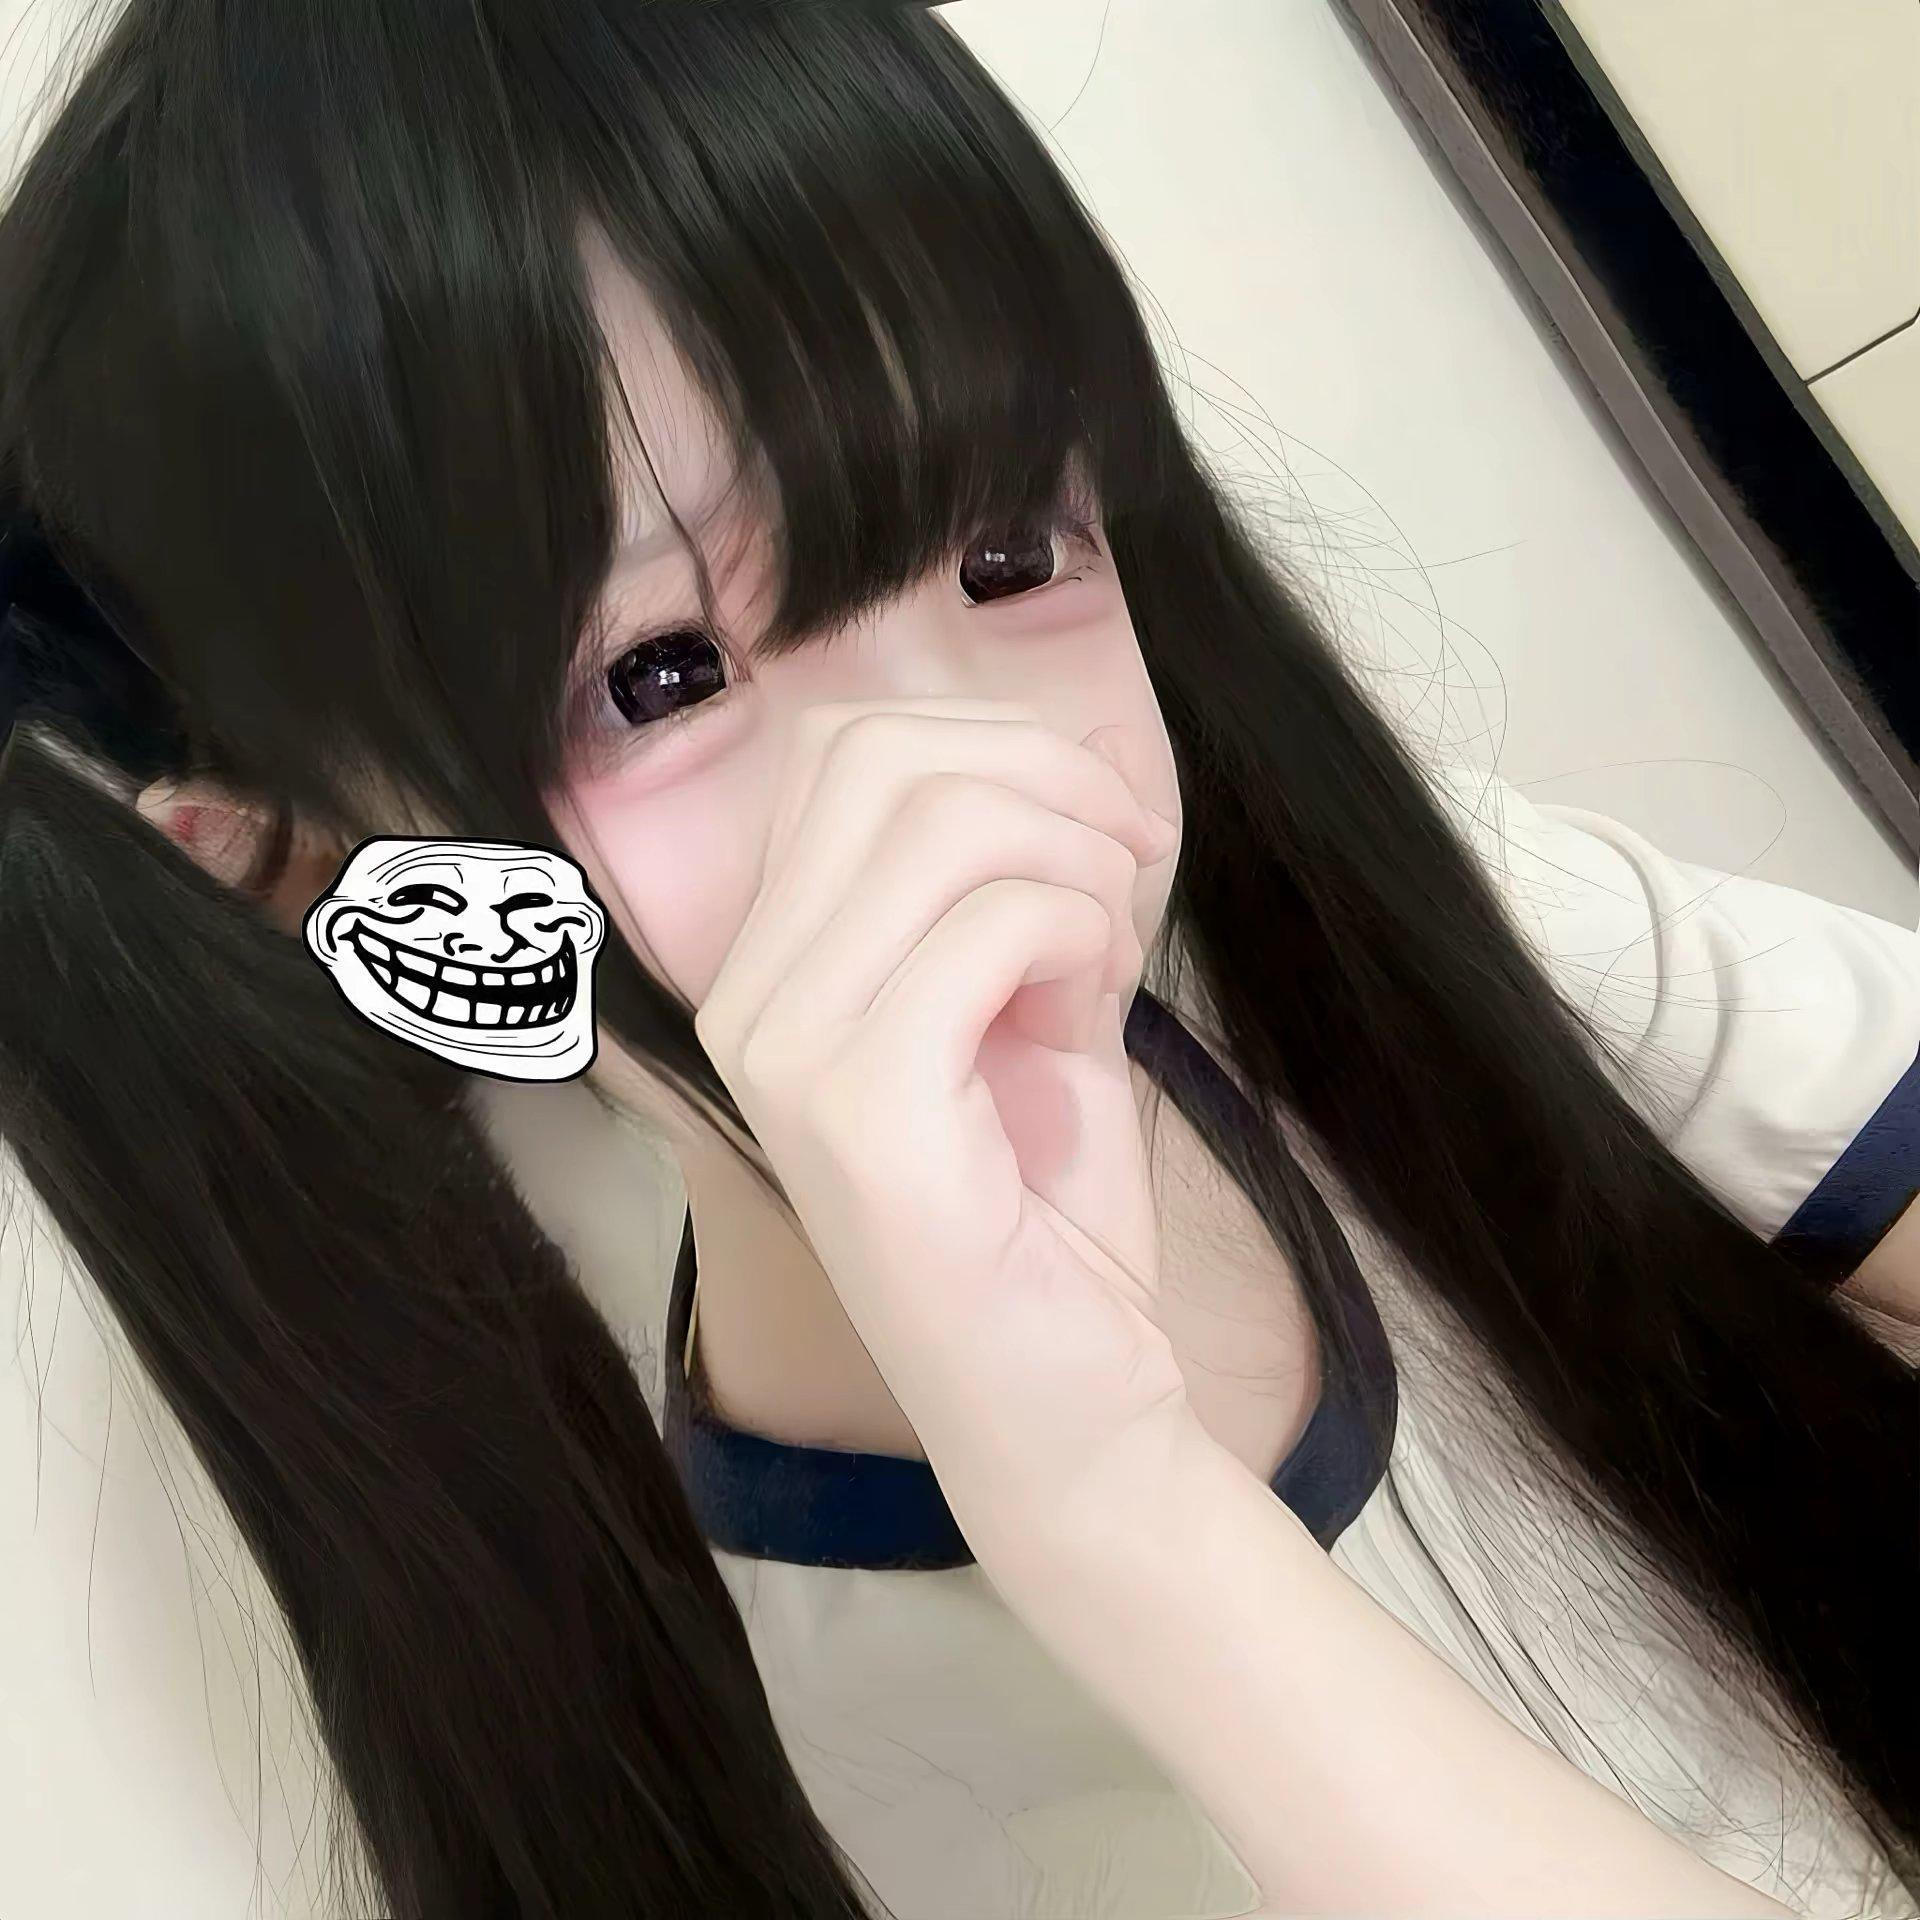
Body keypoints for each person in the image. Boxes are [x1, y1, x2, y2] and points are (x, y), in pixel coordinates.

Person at [0, 4, 1913, 1917]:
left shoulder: (1351, 942)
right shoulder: (860, 1756)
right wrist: (1111, 1510)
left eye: (1009, 548)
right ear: (317, 876)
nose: (968, 767)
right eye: (658, 677)